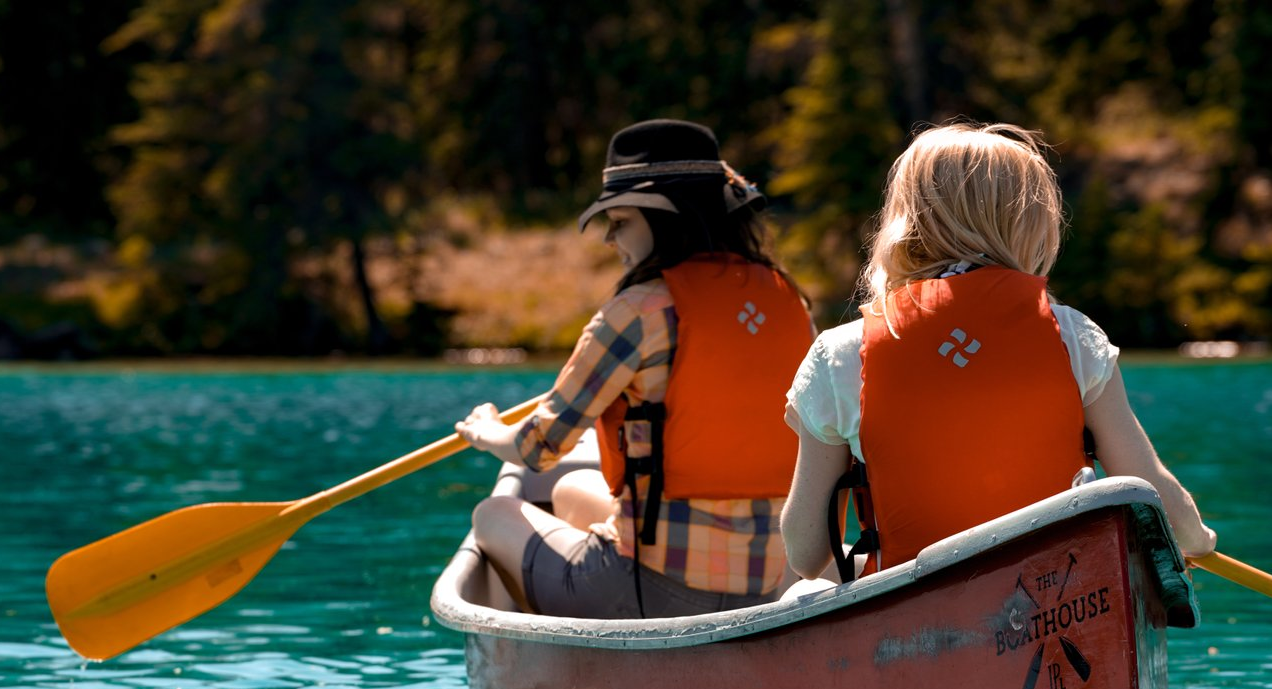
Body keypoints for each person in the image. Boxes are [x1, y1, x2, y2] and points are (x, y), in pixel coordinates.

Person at [780, 121, 1216, 588]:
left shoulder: (841, 353)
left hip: (917, 609)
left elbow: (806, 552)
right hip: (1057, 600)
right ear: (1032, 224)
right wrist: (1199, 539)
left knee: (803, 591)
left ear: (906, 219)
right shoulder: (1074, 338)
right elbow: (1153, 496)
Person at [455, 119, 817, 618]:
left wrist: (487, 431)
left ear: (666, 217)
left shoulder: (640, 309)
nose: (608, 239)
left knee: (492, 514)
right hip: (775, 585)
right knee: (568, 490)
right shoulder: (789, 301)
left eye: (620, 221)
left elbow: (536, 448)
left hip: (659, 593)